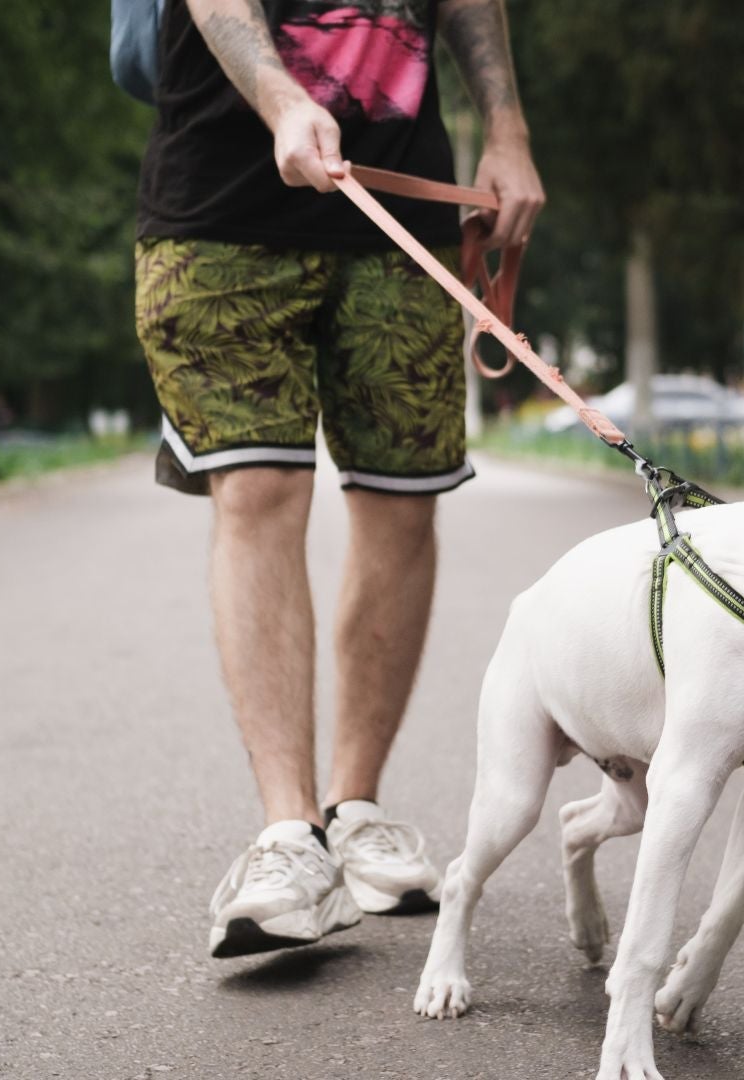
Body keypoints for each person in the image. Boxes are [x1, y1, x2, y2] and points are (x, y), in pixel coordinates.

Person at [134, 0, 543, 957]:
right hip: (221, 204)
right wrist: (278, 97)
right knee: (260, 490)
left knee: (403, 501)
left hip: (402, 204)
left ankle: (354, 811)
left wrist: (507, 128)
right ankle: (289, 836)